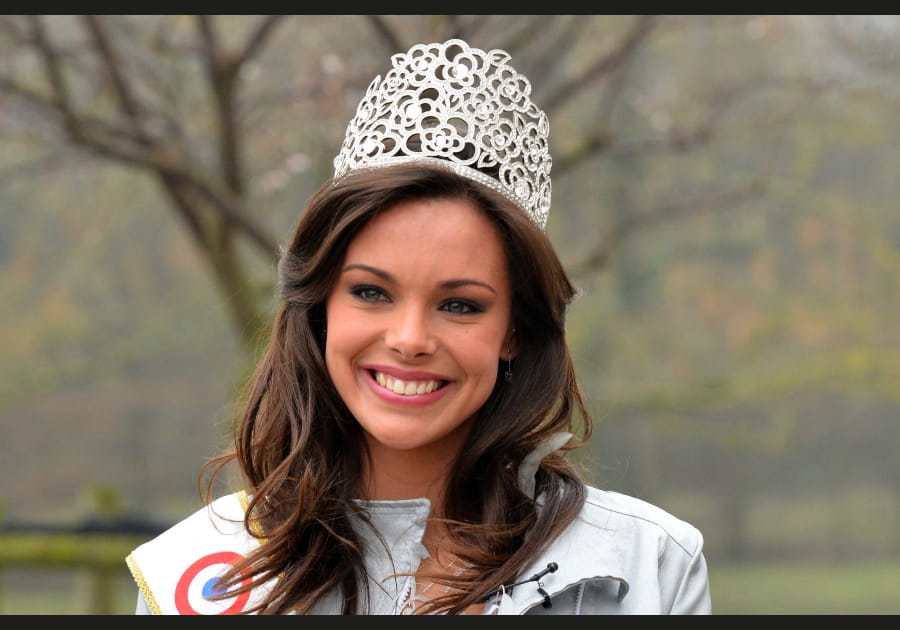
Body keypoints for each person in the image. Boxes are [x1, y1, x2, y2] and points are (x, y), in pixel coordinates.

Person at [126, 38, 711, 615]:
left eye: (460, 305)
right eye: (371, 293)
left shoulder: (644, 567)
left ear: (515, 329)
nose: (409, 339)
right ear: (322, 306)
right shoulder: (197, 574)